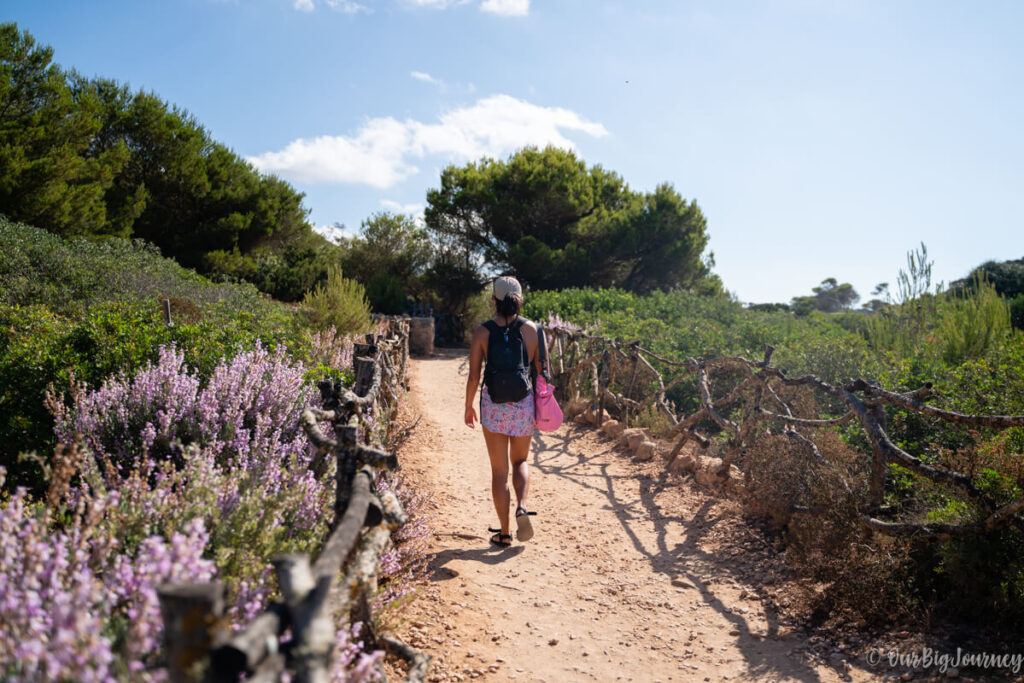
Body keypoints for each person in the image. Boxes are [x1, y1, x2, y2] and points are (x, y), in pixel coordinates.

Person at [464, 276, 542, 547]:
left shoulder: (482, 332)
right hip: (523, 405)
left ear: (494, 301)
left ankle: (505, 532)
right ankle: (522, 506)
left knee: (499, 471)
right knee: (520, 462)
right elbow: (541, 373)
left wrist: (468, 407)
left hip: (494, 406)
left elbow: (474, 376)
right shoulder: (532, 330)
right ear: (519, 300)